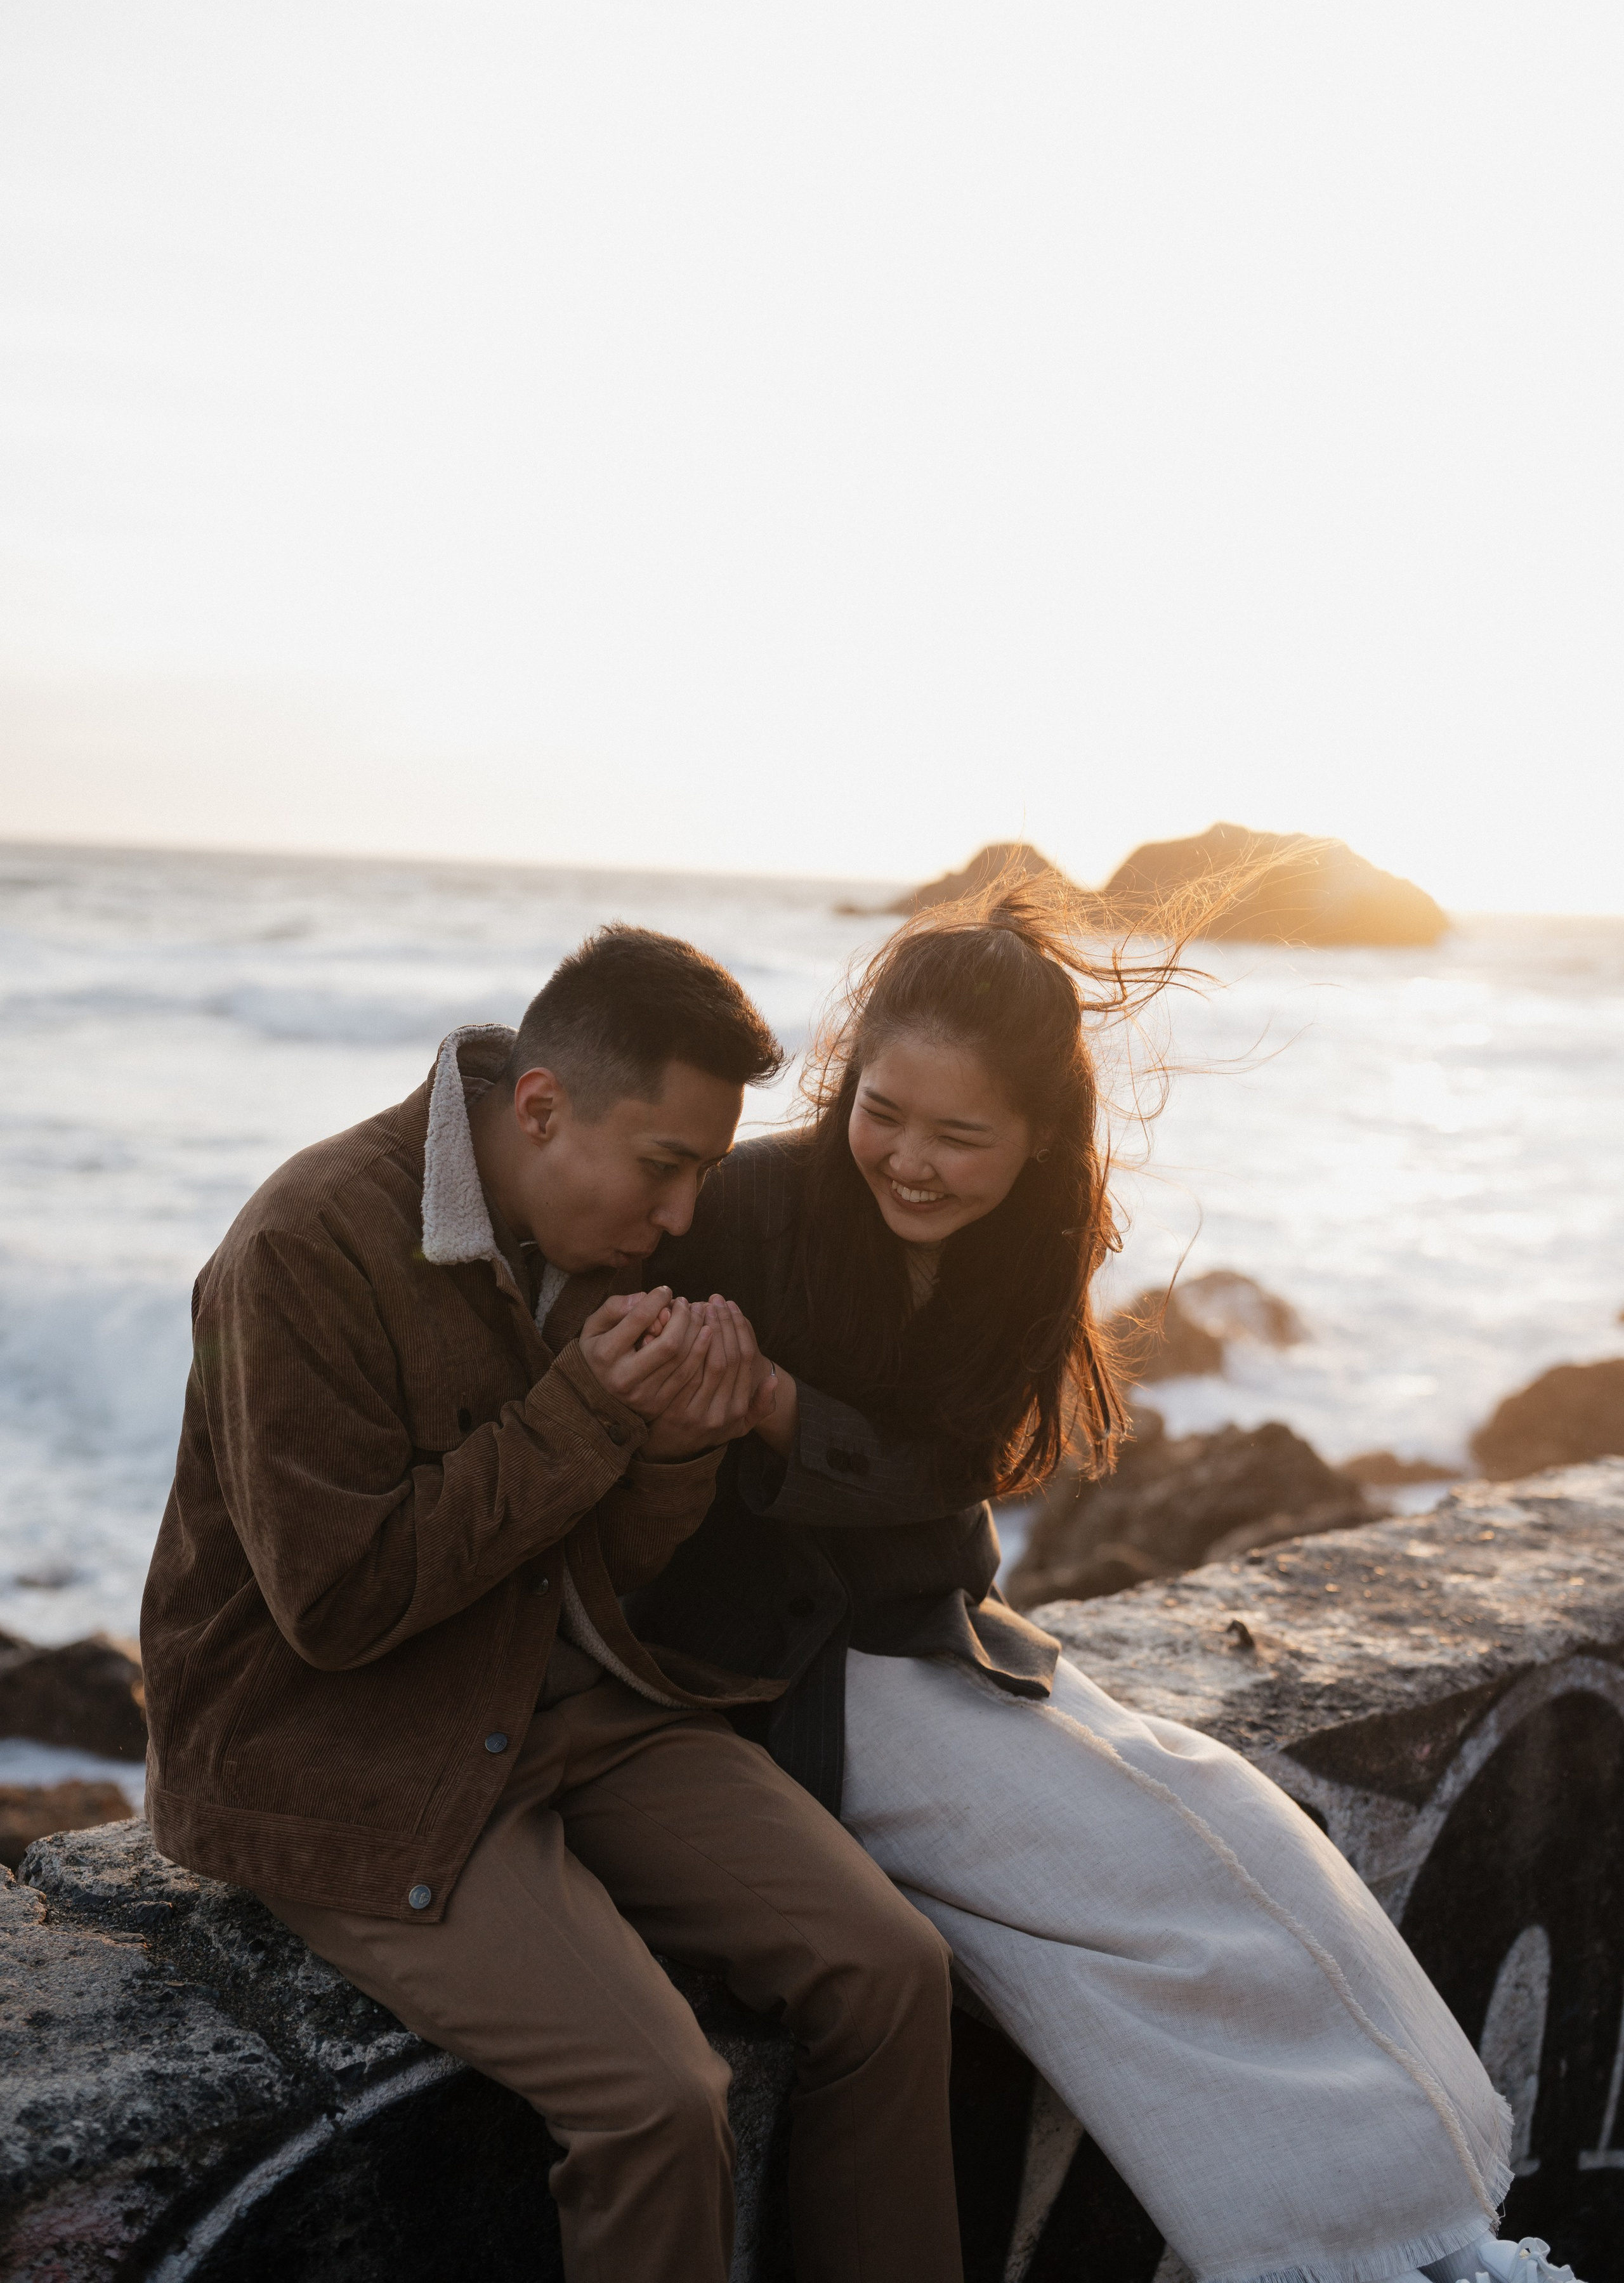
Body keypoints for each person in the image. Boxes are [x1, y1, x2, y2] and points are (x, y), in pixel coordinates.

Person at [626, 884, 1584, 2283]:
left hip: (934, 1630)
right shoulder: (748, 1207)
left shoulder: (1037, 1234)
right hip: (769, 1671)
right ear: (850, 1073)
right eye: (881, 1110)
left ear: (1036, 1139)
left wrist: (782, 1406)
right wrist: (759, 1412)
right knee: (1131, 1895)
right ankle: (1324, 2253)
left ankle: (1440, 2231)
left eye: (961, 1138)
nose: (906, 1160)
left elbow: (955, 1474)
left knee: (1239, 1828)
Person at [140, 924, 963, 2283]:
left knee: (890, 1968)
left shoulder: (595, 1235)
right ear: (540, 1108)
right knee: (655, 2098)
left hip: (556, 1702)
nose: (687, 1216)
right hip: (337, 1751)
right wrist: (587, 1410)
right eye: (667, 1166)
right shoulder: (304, 1244)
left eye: (703, 1169)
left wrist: (678, 1440)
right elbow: (338, 1607)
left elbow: (605, 1565)